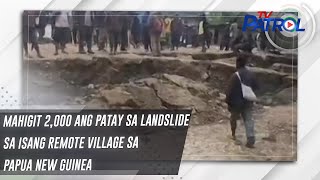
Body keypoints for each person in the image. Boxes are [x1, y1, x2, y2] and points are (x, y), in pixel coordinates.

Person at [225, 55, 259, 148]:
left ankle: (233, 134)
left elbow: (229, 90)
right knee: (248, 119)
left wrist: (228, 101)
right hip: (248, 101)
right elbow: (256, 87)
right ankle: (250, 138)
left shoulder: (235, 76)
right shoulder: (251, 74)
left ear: (237, 64)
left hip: (236, 103)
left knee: (233, 118)